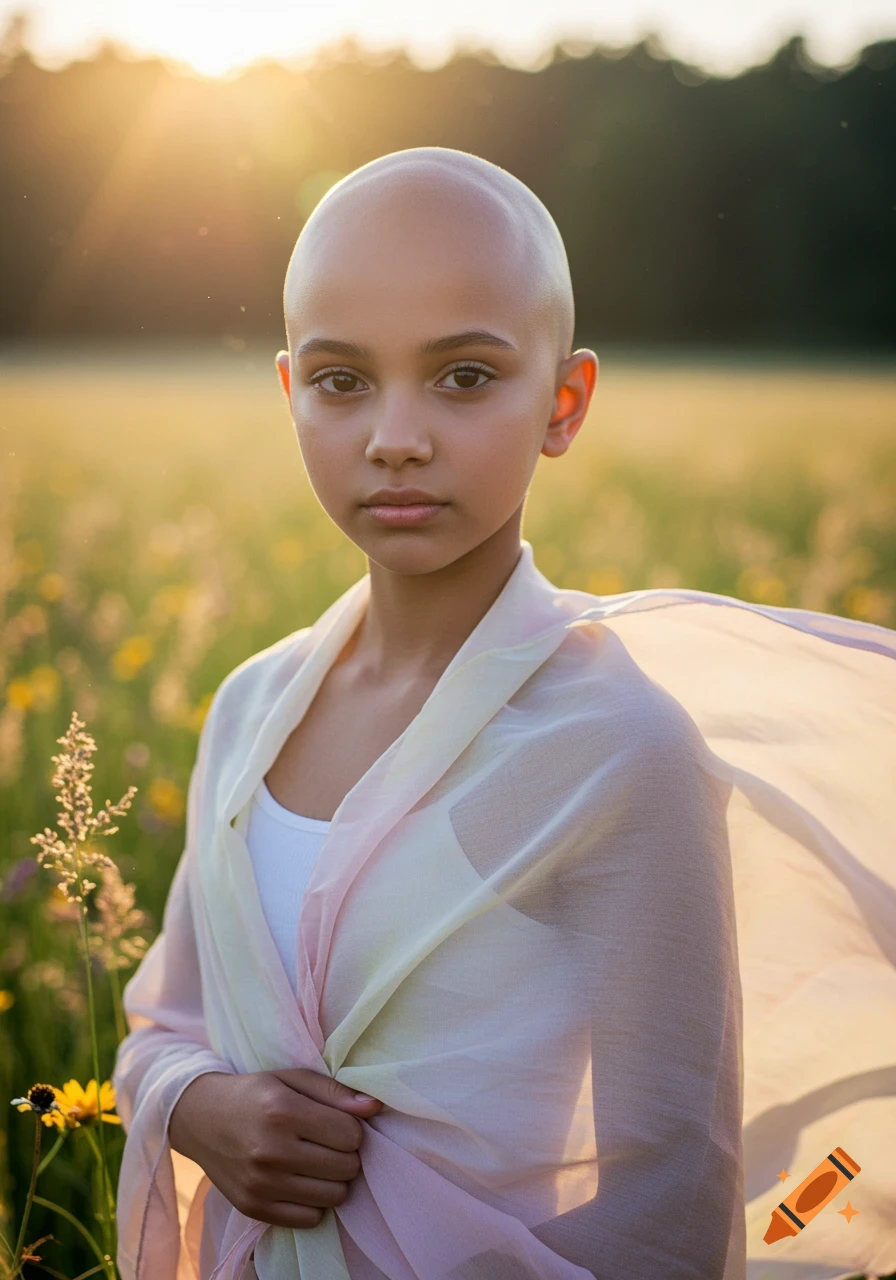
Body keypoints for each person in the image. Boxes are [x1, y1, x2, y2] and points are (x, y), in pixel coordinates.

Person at [112, 147, 896, 1280]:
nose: (395, 435)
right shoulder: (247, 709)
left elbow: (671, 1192)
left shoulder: (618, 749)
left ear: (562, 404)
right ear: (289, 394)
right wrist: (201, 1110)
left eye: (464, 377)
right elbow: (161, 1028)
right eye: (341, 381)